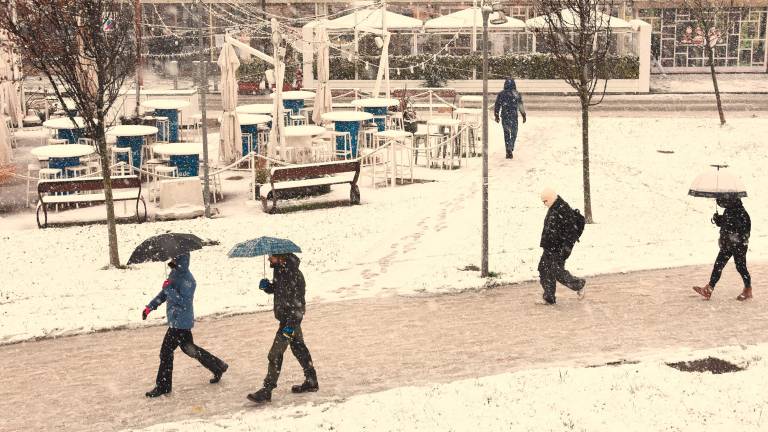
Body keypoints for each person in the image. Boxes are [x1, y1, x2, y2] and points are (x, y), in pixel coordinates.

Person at [142, 254, 228, 398]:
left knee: (165, 353)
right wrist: (150, 307)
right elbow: (165, 293)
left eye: (175, 258)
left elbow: (184, 302)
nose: (172, 260)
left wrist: (169, 289)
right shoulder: (174, 273)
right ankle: (218, 366)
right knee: (189, 349)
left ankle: (163, 386)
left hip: (180, 323)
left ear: (182, 260)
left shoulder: (189, 280)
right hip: (176, 321)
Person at [247, 253, 318, 404]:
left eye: (271, 256)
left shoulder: (294, 275)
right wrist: (268, 287)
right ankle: (311, 380)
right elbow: (280, 290)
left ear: (281, 257)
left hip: (290, 321)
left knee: (275, 353)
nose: (268, 259)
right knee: (299, 348)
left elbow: (299, 304)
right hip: (287, 319)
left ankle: (267, 390)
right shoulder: (280, 270)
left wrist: (290, 326)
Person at [693, 197, 752, 301]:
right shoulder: (728, 211)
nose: (721, 202)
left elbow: (745, 231)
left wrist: (736, 235)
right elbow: (725, 224)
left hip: (738, 246)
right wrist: (718, 220)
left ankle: (748, 289)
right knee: (718, 265)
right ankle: (709, 289)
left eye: (724, 200)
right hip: (727, 244)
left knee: (741, 267)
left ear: (731, 201)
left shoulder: (742, 213)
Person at [538, 188, 586, 305]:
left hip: (557, 249)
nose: (544, 204)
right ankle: (549, 297)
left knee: (556, 272)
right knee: (544, 269)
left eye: (545, 201)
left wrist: (566, 250)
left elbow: (571, 232)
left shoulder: (563, 210)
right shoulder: (554, 208)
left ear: (550, 199)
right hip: (549, 247)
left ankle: (579, 285)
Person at [494, 78, 527, 159]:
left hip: (505, 116)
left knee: (506, 134)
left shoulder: (501, 94)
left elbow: (497, 105)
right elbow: (520, 106)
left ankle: (508, 152)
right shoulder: (516, 93)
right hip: (513, 116)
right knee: (514, 133)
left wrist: (496, 115)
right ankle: (511, 146)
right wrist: (523, 115)